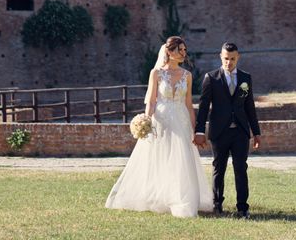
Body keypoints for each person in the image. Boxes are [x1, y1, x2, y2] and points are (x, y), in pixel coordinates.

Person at [105, 36, 213, 217]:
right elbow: (152, 101)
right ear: (169, 52)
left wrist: (195, 129)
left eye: (184, 50)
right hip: (161, 120)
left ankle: (183, 200)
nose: (183, 53)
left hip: (181, 120)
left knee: (182, 159)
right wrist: (146, 121)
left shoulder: (187, 76)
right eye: (180, 50)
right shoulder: (156, 73)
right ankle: (159, 196)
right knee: (160, 156)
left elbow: (188, 104)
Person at [194, 42, 261, 219]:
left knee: (241, 168)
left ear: (237, 57)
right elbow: (203, 107)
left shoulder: (246, 78)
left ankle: (242, 208)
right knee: (219, 168)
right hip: (219, 132)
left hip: (240, 131)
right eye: (226, 59)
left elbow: (250, 107)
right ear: (220, 57)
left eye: (232, 59)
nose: (229, 62)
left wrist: (256, 132)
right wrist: (199, 131)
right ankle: (217, 205)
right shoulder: (211, 77)